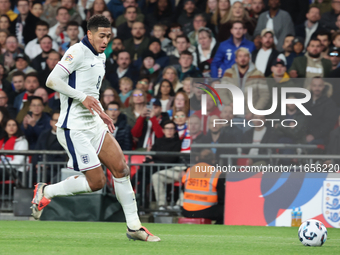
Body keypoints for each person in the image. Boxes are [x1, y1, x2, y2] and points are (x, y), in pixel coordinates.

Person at [31, 15, 160, 242]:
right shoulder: (77, 51)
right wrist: (83, 98)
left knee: (121, 169)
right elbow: (52, 80)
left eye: (109, 36)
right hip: (74, 128)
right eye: (102, 36)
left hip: (94, 123)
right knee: (96, 183)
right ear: (89, 34)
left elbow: (92, 92)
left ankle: (134, 227)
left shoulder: (100, 57)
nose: (106, 40)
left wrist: (101, 112)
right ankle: (46, 191)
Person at [219, 47, 269, 122]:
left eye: (245, 56)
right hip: (232, 116)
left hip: (251, 117)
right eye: (240, 56)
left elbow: (264, 95)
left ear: (249, 58)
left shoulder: (258, 74)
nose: (243, 58)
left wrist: (254, 111)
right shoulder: (228, 73)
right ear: (236, 59)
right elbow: (222, 92)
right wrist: (230, 104)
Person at [181, 149, 225, 224]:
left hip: (186, 211)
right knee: (225, 211)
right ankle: (215, 230)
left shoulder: (189, 170)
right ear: (213, 160)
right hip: (205, 211)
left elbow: (183, 189)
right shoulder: (216, 173)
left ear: (198, 158)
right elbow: (222, 197)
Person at [32, 110, 67, 182]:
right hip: (39, 167)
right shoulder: (44, 134)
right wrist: (36, 164)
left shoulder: (66, 137)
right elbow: (36, 151)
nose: (57, 123)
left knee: (43, 176)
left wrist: (47, 164)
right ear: (51, 122)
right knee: (26, 175)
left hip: (55, 169)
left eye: (60, 120)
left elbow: (64, 157)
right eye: (55, 120)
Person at [304, 77, 338, 145]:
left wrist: (314, 135)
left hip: (320, 138)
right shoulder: (304, 101)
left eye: (320, 85)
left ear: (323, 87)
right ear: (311, 86)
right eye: (314, 85)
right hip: (302, 135)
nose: (317, 88)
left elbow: (329, 124)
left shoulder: (330, 103)